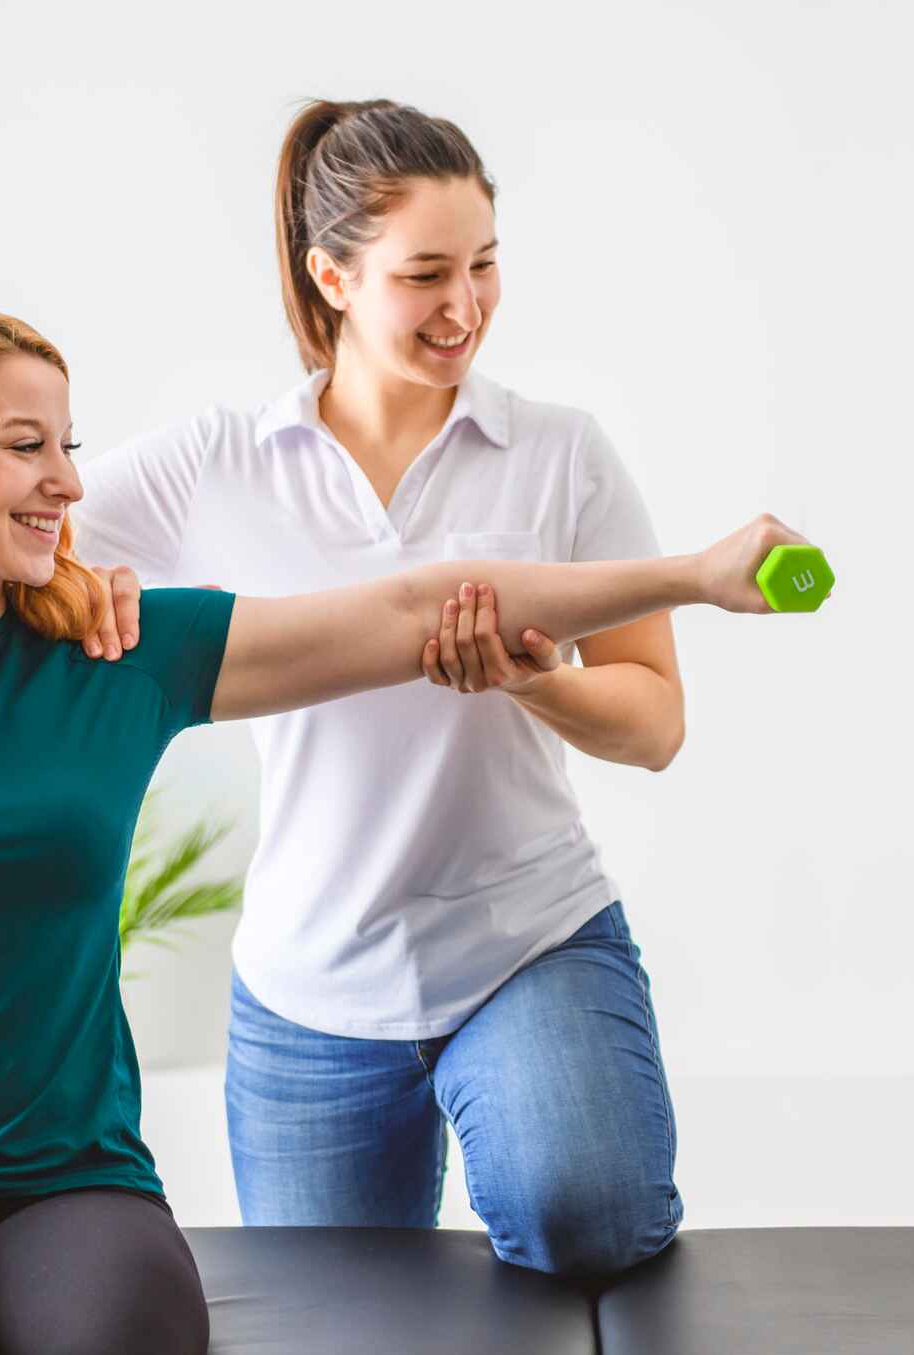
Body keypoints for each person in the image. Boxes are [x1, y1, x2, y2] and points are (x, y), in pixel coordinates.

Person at [0, 294, 801, 1355]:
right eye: (28, 446)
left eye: (68, 444)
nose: (71, 482)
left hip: (71, 1178)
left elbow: (416, 608)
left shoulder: (116, 657)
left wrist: (692, 577)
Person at [73, 98, 699, 1278]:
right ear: (333, 278)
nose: (463, 306)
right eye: (424, 275)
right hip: (309, 983)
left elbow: (656, 722)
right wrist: (81, 593)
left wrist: (539, 682)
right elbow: (24, 543)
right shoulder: (222, 463)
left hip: (527, 940)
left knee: (590, 1217)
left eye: (484, 266)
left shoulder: (560, 455)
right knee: (335, 1344)